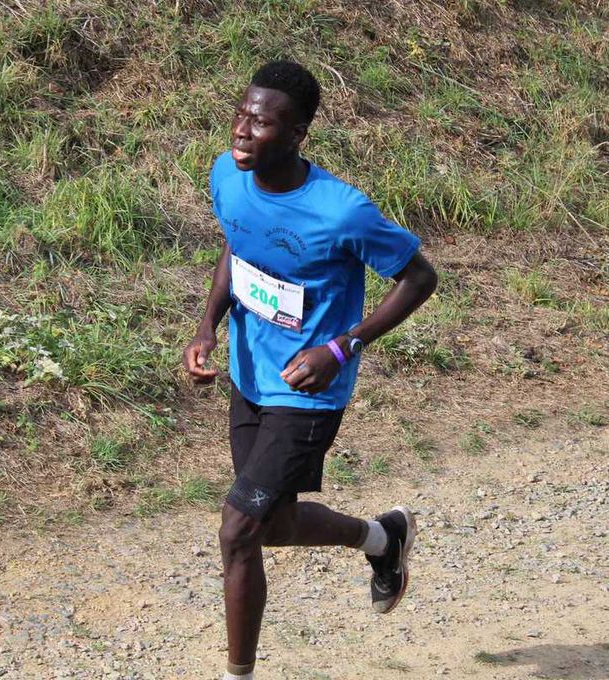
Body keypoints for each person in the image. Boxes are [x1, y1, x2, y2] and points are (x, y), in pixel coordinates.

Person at [182, 60, 439, 680]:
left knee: (238, 529)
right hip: (248, 374)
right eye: (242, 115)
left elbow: (419, 278)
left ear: (297, 135)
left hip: (307, 391)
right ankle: (383, 539)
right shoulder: (227, 174)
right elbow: (236, 245)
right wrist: (207, 326)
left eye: (262, 123)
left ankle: (237, 674)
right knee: (269, 524)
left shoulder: (341, 212)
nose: (243, 132)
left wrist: (342, 347)